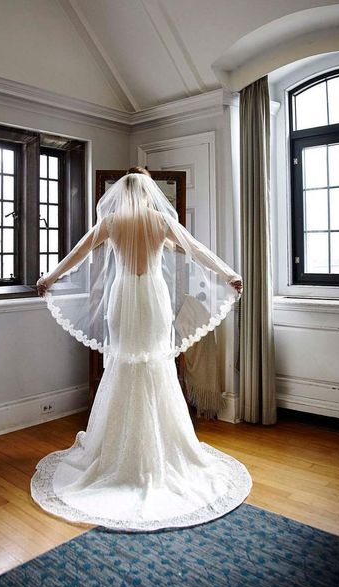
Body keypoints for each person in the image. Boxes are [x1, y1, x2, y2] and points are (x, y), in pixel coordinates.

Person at [30, 167, 252, 531]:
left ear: (120, 194)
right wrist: (228, 273)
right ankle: (157, 451)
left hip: (123, 300)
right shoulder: (159, 221)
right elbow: (196, 250)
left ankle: (118, 452)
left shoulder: (112, 222)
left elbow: (78, 254)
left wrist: (48, 278)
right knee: (153, 366)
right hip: (151, 299)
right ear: (148, 193)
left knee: (123, 366)